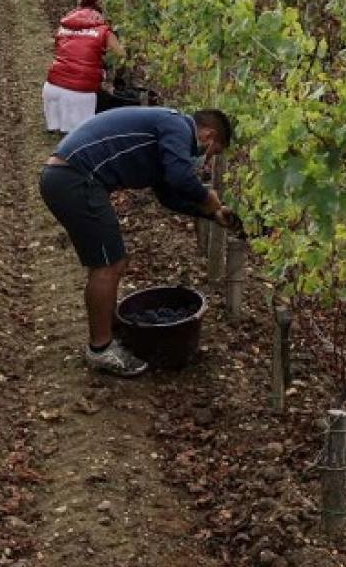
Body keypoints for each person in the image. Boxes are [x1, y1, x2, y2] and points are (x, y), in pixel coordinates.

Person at [39, 107, 237, 376]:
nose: (207, 160)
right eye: (213, 152)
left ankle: (109, 331)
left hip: (70, 178)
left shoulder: (166, 135)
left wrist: (213, 214)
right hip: (76, 179)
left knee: (109, 261)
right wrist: (206, 198)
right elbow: (180, 177)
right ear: (208, 135)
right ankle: (101, 349)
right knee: (108, 264)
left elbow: (168, 194)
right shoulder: (178, 125)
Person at [43, 0, 125, 134]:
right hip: (79, 92)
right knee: (80, 134)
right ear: (98, 13)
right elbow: (122, 54)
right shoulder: (103, 31)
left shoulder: (63, 27)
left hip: (52, 87)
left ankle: (56, 122)